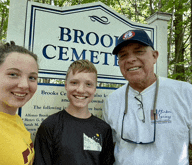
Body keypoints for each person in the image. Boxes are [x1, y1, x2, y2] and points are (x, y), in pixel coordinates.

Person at [102, 29, 192, 164]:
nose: (131, 59)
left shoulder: (185, 92)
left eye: (139, 51)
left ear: (155, 56)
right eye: (123, 55)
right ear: (119, 62)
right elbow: (110, 148)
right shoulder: (111, 101)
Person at [33, 59, 115, 165]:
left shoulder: (104, 129)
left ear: (95, 89)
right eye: (74, 83)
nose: (80, 90)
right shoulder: (50, 125)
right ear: (66, 85)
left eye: (88, 84)